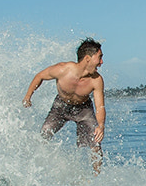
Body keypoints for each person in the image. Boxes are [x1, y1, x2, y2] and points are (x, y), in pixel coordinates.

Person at [24, 38, 106, 172]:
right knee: (44, 134)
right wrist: (28, 96)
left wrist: (101, 126)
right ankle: (36, 168)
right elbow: (40, 76)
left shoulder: (96, 80)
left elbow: (100, 107)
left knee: (95, 143)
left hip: (84, 109)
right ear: (87, 58)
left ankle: (97, 176)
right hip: (61, 106)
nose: (101, 62)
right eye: (99, 57)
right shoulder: (62, 70)